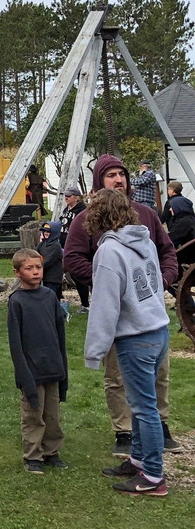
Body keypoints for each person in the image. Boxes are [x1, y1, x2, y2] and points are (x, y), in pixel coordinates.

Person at [63, 154, 179, 456]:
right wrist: (107, 280)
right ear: (99, 181)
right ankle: (124, 431)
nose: (118, 180)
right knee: (116, 375)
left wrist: (161, 280)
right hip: (118, 313)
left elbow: (167, 252)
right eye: (111, 175)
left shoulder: (146, 214)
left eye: (122, 174)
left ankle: (160, 424)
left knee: (159, 373)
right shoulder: (86, 219)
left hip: (150, 309)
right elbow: (72, 258)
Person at [83, 189, 170, 496]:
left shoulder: (109, 251)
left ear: (98, 215)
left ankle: (153, 477)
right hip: (158, 330)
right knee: (141, 404)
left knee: (144, 408)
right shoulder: (144, 240)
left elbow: (105, 305)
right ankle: (138, 460)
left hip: (136, 337)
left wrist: (94, 351)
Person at [7, 249, 67, 474]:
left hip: (52, 366)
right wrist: (24, 374)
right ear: (17, 272)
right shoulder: (17, 301)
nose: (35, 272)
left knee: (52, 414)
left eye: (38, 267)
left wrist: (62, 367)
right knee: (33, 414)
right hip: (31, 369)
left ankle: (51, 451)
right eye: (29, 268)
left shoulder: (50, 296)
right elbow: (15, 343)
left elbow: (60, 334)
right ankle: (32, 456)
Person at [58, 185, 90, 314]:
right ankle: (58, 302)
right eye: (65, 195)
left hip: (74, 245)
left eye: (69, 196)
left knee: (78, 274)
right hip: (63, 244)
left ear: (76, 197)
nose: (66, 198)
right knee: (58, 272)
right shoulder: (67, 209)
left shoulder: (81, 210)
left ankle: (85, 304)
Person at [36, 221, 66, 312]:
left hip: (53, 278)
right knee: (48, 297)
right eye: (44, 231)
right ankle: (54, 313)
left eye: (48, 231)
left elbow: (48, 261)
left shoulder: (56, 246)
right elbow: (35, 254)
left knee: (51, 298)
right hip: (45, 276)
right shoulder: (42, 244)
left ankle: (57, 313)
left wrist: (37, 267)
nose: (46, 233)